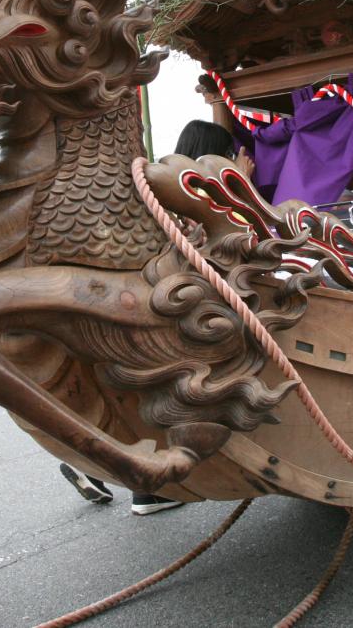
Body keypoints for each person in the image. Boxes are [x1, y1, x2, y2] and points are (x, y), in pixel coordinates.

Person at [58, 120, 247, 516]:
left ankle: (96, 469)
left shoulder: (158, 185)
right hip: (178, 301)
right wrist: (240, 182)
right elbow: (221, 243)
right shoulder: (196, 189)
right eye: (227, 154)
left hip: (140, 298)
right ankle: (151, 490)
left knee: (134, 394)